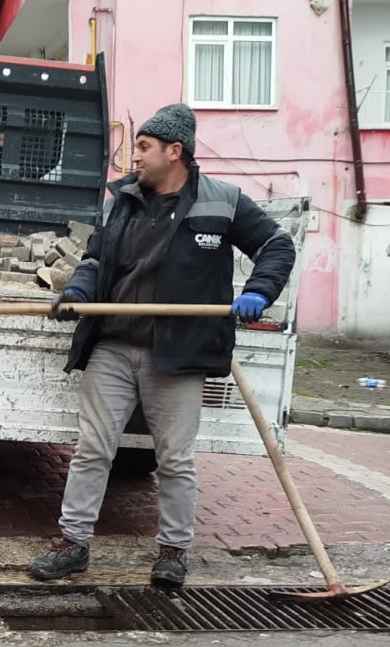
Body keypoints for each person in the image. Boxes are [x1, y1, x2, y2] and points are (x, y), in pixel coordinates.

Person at [29, 103, 296, 588]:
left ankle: (172, 552)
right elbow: (95, 259)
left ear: (175, 152)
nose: (135, 157)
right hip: (113, 344)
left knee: (174, 457)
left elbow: (277, 244)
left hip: (177, 352)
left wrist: (259, 291)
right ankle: (73, 544)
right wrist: (78, 293)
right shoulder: (123, 201)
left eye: (144, 147)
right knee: (92, 449)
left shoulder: (223, 201)